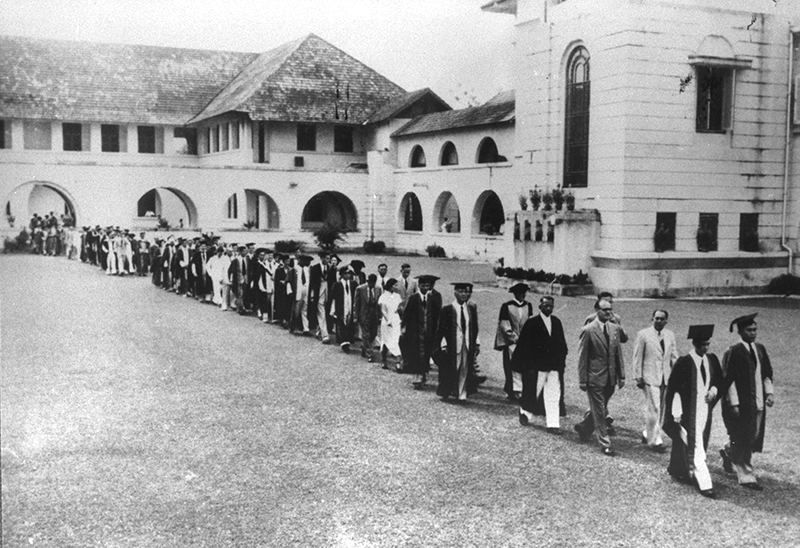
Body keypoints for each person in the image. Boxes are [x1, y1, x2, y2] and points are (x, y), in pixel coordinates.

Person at [662, 324, 723, 499]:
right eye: (702, 344)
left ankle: (678, 469)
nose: (705, 348)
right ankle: (704, 482)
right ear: (695, 344)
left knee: (697, 440)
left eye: (707, 344)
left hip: (705, 409)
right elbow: (673, 389)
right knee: (695, 443)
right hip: (688, 411)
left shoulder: (711, 360)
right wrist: (675, 412)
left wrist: (714, 390)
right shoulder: (685, 362)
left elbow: (719, 380)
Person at [719, 313, 775, 491]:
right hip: (742, 404)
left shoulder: (759, 349)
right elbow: (729, 381)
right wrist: (733, 404)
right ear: (740, 331)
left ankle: (728, 451)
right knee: (743, 436)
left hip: (757, 401)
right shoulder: (733, 351)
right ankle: (746, 474)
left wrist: (769, 393)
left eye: (755, 330)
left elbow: (766, 373)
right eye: (749, 330)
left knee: (753, 435)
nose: (753, 333)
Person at [574, 298, 626, 456]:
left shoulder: (615, 328)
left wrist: (621, 376)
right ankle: (605, 443)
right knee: (599, 410)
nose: (609, 312)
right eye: (605, 310)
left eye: (610, 309)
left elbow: (618, 353)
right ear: (597, 311)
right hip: (594, 377)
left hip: (610, 378)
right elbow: (582, 357)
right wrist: (582, 380)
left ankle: (584, 428)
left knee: (600, 409)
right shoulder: (588, 330)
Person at [511, 295, 568, 433]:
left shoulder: (556, 322)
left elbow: (561, 344)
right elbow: (525, 346)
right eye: (545, 305)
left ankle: (553, 424)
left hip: (553, 366)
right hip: (537, 366)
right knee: (533, 391)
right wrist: (527, 365)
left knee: (554, 393)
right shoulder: (532, 323)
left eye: (551, 306)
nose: (548, 308)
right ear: (540, 306)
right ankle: (524, 412)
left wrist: (561, 362)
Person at [631, 309, 678, 452]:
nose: (658, 321)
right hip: (649, 377)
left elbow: (673, 356)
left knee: (661, 409)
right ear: (652, 319)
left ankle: (647, 433)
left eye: (661, 319)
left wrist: (678, 373)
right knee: (654, 408)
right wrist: (638, 375)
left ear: (666, 321)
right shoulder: (643, 334)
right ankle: (655, 440)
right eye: (656, 318)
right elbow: (637, 356)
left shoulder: (670, 335)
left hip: (666, 377)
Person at [435, 282, 480, 402]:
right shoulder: (447, 309)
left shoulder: (470, 309)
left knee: (465, 368)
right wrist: (443, 345)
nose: (463, 295)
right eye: (461, 292)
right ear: (455, 293)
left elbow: (475, 327)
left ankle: (462, 393)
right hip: (452, 345)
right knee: (451, 368)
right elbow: (441, 329)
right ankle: (448, 391)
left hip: (467, 344)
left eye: (466, 292)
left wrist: (476, 343)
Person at [494, 283, 534, 401]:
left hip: (525, 341)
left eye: (524, 293)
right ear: (515, 293)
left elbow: (530, 322)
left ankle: (523, 390)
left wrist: (527, 337)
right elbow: (504, 325)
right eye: (520, 293)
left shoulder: (528, 306)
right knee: (512, 366)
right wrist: (515, 338)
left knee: (524, 366)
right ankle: (513, 390)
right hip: (511, 341)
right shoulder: (507, 306)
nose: (522, 295)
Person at [401, 274, 442, 388]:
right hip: (415, 331)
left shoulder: (433, 299)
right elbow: (406, 314)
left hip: (429, 331)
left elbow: (437, 314)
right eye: (423, 285)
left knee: (426, 353)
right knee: (416, 354)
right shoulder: (413, 298)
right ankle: (417, 377)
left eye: (427, 285)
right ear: (418, 285)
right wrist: (404, 328)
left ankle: (423, 374)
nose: (425, 287)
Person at [355, 273, 382, 362]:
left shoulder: (378, 289)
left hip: (374, 315)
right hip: (364, 314)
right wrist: (356, 316)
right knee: (366, 334)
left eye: (373, 283)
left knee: (373, 333)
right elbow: (356, 303)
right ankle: (369, 353)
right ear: (367, 281)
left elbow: (379, 303)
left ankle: (364, 347)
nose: (372, 285)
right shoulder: (360, 289)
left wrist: (380, 316)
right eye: (370, 283)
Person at [330, 265, 357, 352]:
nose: (347, 275)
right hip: (341, 307)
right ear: (341, 274)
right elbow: (333, 298)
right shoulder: (337, 285)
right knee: (341, 324)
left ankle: (348, 340)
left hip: (350, 306)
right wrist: (333, 310)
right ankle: (344, 343)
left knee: (350, 323)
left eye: (349, 273)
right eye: (345, 273)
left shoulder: (353, 284)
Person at [378, 278, 403, 370]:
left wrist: (400, 312)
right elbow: (383, 310)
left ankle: (398, 362)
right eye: (394, 285)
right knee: (385, 340)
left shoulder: (397, 296)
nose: (396, 287)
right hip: (387, 321)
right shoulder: (383, 296)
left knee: (396, 340)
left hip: (396, 320)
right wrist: (388, 320)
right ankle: (384, 360)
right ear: (389, 286)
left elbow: (399, 308)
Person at [308, 252, 332, 343]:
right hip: (318, 294)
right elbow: (312, 283)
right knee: (321, 313)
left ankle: (319, 332)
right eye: (326, 258)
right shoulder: (315, 268)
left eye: (329, 258)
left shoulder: (330, 268)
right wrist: (312, 295)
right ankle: (325, 335)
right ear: (321, 258)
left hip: (328, 294)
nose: (328, 260)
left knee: (325, 313)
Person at [291, 254, 312, 335]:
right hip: (298, 292)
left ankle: (305, 329)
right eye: (306, 261)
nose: (308, 263)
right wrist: (290, 291)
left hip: (306, 292)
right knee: (296, 310)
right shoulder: (295, 269)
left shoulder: (308, 270)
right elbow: (289, 281)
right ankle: (293, 327)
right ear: (301, 261)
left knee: (305, 310)